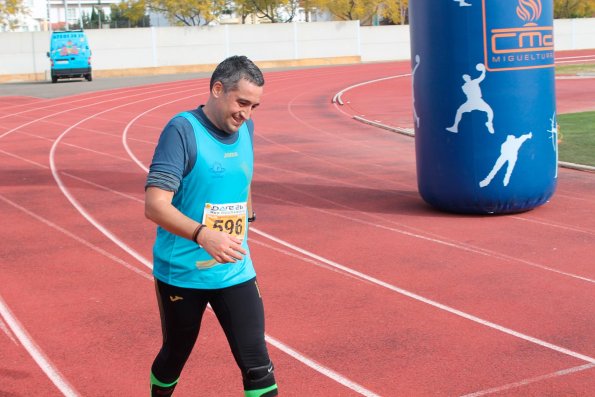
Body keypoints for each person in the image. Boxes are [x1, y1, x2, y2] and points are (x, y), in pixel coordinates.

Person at [144, 55, 278, 397]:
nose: (246, 114)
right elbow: (155, 206)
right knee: (175, 355)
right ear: (217, 89)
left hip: (234, 268)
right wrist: (204, 235)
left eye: (254, 106)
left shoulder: (245, 126)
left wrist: (246, 216)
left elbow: (241, 175)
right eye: (242, 102)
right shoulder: (181, 131)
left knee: (258, 365)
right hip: (183, 273)